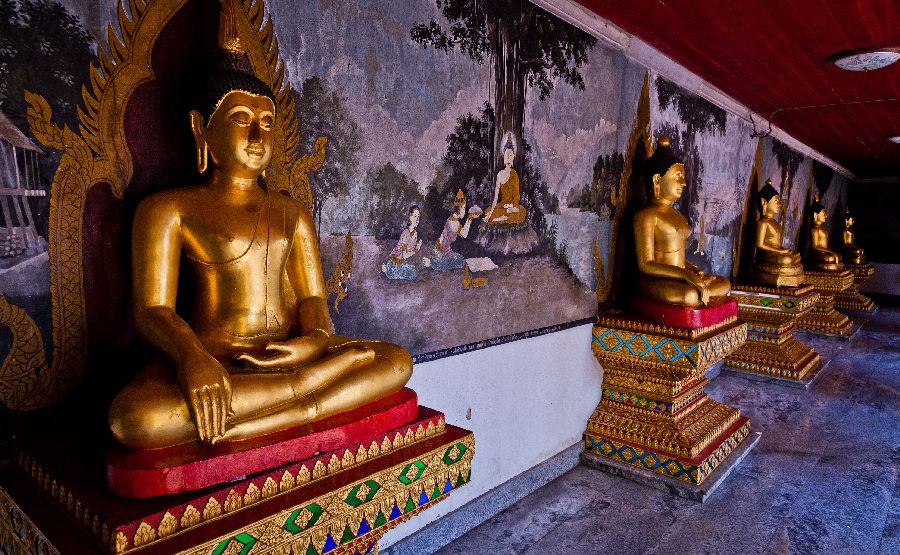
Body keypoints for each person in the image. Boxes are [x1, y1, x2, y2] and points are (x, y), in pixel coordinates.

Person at [108, 40, 412, 449]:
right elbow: (153, 311)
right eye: (239, 118)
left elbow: (312, 298)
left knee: (396, 361)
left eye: (266, 122)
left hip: (290, 354)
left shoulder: (292, 212)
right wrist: (192, 359)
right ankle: (305, 393)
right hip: (218, 362)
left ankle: (291, 400)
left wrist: (314, 340)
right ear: (201, 127)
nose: (256, 134)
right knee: (135, 418)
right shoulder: (167, 210)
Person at [633, 135, 730, 306]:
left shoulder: (677, 216)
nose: (683, 183)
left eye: (683, 177)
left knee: (724, 283)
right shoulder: (646, 215)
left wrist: (692, 270)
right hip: (655, 279)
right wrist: (686, 275)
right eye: (677, 176)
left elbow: (677, 258)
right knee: (689, 296)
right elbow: (646, 264)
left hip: (680, 277)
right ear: (657, 179)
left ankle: (700, 291)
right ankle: (699, 294)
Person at [750, 179, 804, 286]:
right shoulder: (763, 222)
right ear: (764, 202)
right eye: (776, 201)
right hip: (766, 256)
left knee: (796, 256)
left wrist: (782, 250)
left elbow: (777, 244)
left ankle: (787, 267)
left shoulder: (775, 222)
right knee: (786, 260)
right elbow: (759, 244)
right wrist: (780, 252)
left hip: (777, 253)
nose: (779, 204)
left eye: (779, 201)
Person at [424, 189, 481, 271]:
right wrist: (470, 218)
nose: (464, 211)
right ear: (460, 207)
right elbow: (464, 235)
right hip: (441, 251)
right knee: (460, 262)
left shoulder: (452, 219)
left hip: (443, 249)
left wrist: (470, 217)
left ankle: (434, 261)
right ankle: (432, 263)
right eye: (464, 208)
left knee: (460, 258)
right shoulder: (454, 223)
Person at [484, 133, 526, 225]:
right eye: (507, 155)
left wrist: (511, 206)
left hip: (512, 207)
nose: (508, 158)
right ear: (503, 156)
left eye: (510, 155)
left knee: (521, 211)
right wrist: (490, 213)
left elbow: (516, 196)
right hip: (503, 206)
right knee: (488, 211)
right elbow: (495, 198)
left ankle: (502, 217)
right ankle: (501, 217)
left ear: (514, 157)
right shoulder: (499, 174)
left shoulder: (514, 174)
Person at [382, 205, 422, 280]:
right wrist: (417, 249)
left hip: (403, 261)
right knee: (396, 275)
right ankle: (387, 269)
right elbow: (405, 255)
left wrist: (415, 248)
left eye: (418, 216)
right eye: (414, 216)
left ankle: (390, 269)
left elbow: (409, 251)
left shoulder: (415, 233)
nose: (416, 219)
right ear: (409, 217)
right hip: (396, 261)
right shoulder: (405, 233)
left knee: (413, 273)